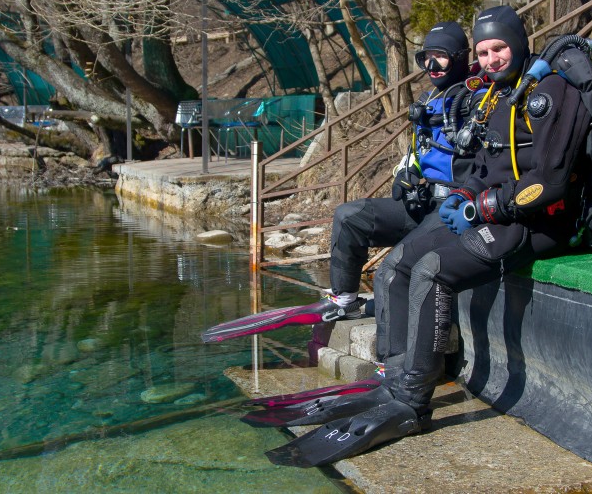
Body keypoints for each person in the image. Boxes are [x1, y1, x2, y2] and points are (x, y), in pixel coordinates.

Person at [265, 5, 592, 468]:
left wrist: (484, 206)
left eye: (499, 48)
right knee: (394, 266)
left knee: (431, 272)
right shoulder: (497, 95)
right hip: (488, 208)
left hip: (533, 221)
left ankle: (413, 402)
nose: (491, 58)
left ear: (520, 44)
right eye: (483, 51)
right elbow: (480, 165)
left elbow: (553, 181)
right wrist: (460, 194)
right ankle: (395, 377)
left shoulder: (552, 92)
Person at [202, 21, 485, 344]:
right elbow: (415, 149)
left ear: (460, 56)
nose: (431, 66)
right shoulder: (429, 98)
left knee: (392, 269)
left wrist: (462, 194)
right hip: (421, 202)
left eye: (441, 57)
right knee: (350, 217)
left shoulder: (477, 99)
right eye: (425, 58)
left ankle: (392, 360)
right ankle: (344, 301)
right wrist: (404, 174)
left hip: (453, 210)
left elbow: (488, 164)